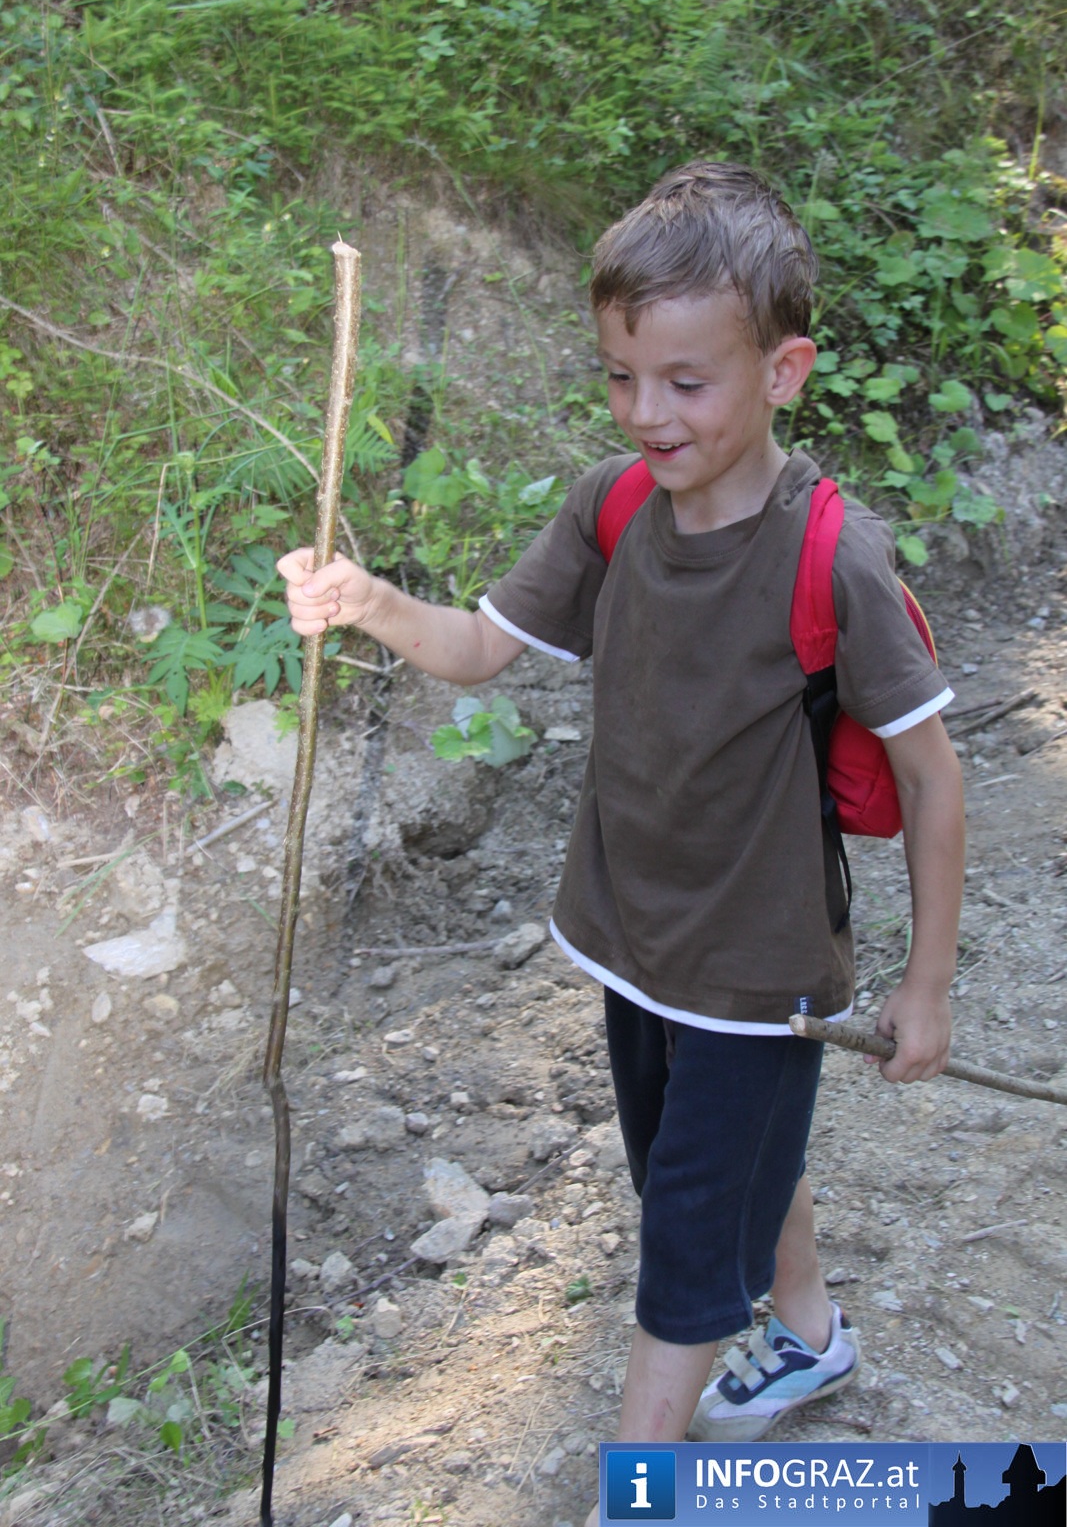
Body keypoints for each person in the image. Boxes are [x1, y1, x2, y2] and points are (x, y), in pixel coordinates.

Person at [279, 162, 965, 1524]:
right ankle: (812, 1333)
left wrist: (926, 985)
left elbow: (933, 781)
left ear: (783, 372)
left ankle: (636, 1494)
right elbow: (477, 649)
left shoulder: (834, 558)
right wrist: (366, 601)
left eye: (686, 383)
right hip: (635, 943)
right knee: (704, 1175)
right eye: (620, 377)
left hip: (759, 974)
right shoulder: (613, 509)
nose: (648, 413)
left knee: (685, 1244)